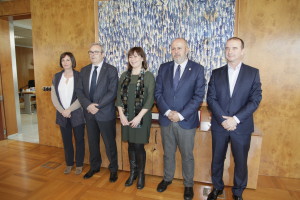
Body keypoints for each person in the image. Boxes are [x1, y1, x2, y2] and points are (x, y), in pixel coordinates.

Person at [206, 37, 262, 200]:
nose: (230, 51)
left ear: (242, 51)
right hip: (219, 125)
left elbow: (255, 100)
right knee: (217, 159)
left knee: (240, 161)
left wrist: (235, 119)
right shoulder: (216, 73)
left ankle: (238, 193)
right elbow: (211, 98)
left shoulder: (253, 73)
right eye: (227, 48)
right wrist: (223, 120)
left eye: (234, 48)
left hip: (241, 126)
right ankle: (217, 188)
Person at [155, 38, 206, 200]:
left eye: (179, 48)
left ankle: (188, 184)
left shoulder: (197, 69)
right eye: (173, 49)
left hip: (186, 121)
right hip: (166, 119)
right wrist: (169, 111)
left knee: (187, 155)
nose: (176, 52)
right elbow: (158, 93)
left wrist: (181, 114)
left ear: (187, 49)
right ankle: (167, 178)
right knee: (168, 153)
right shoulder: (164, 68)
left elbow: (198, 97)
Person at [76, 43, 119, 182]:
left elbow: (112, 92)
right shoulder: (84, 70)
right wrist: (88, 105)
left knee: (109, 143)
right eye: (90, 52)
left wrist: (97, 106)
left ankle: (113, 169)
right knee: (93, 142)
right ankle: (94, 167)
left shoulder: (111, 70)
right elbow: (79, 91)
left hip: (105, 113)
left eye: (96, 52)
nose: (93, 54)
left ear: (103, 54)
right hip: (89, 113)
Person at [116, 47, 155, 189]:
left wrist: (138, 117)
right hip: (126, 117)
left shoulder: (148, 76)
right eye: (130, 57)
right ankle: (132, 173)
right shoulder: (124, 76)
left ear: (143, 58)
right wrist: (121, 115)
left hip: (142, 117)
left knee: (138, 146)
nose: (133, 59)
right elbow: (119, 97)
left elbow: (150, 99)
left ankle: (141, 175)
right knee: (130, 145)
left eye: (136, 56)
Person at [51, 52, 85, 175]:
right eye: (63, 60)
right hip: (62, 114)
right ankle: (69, 163)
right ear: (61, 62)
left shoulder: (79, 76)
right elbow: (54, 96)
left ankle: (79, 164)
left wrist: (69, 109)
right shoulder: (56, 77)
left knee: (79, 139)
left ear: (72, 62)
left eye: (68, 60)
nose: (65, 62)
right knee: (66, 140)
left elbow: (82, 96)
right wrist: (62, 111)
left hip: (76, 113)